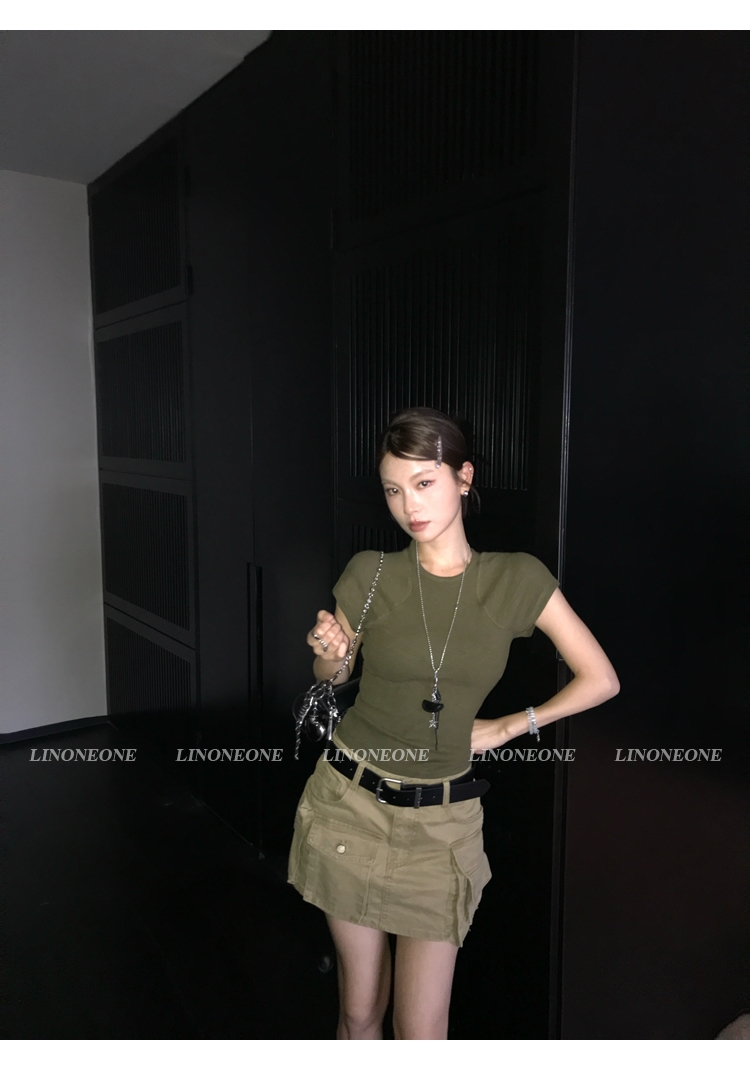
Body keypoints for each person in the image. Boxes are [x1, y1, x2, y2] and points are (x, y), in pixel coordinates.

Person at [288, 407, 619, 1040]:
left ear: (463, 478)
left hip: (441, 826)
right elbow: (333, 673)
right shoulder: (371, 572)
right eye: (393, 489)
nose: (408, 505)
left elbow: (600, 678)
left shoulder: (515, 578)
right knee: (359, 1011)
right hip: (349, 805)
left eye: (424, 483)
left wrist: (510, 725)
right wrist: (328, 651)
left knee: (422, 1032)